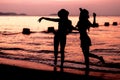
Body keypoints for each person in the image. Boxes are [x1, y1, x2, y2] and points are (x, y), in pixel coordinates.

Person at [76, 8, 105, 75]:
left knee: (86, 54)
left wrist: (94, 17)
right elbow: (78, 28)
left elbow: (94, 25)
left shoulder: (86, 21)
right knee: (86, 54)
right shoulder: (80, 21)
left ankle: (94, 62)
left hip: (85, 39)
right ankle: (88, 67)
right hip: (82, 39)